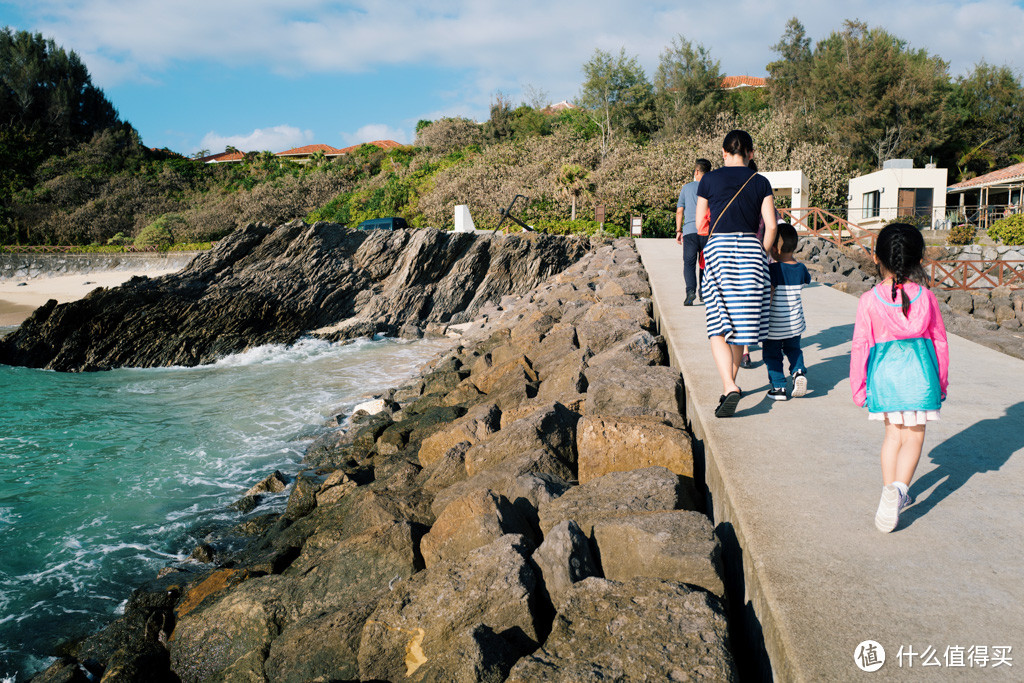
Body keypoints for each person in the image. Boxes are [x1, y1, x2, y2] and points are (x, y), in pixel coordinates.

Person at [850, 223, 949, 533]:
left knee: (893, 437)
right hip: (921, 378)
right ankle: (900, 491)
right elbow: (940, 343)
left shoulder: (869, 301)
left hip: (885, 378)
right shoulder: (927, 298)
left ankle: (888, 490)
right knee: (914, 438)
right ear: (918, 259)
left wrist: (859, 388)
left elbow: (860, 346)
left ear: (878, 259)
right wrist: (941, 384)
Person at [696, 130, 777, 418]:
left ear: (723, 152)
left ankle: (730, 386)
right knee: (741, 324)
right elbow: (771, 226)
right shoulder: (761, 181)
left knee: (717, 323)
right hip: (752, 252)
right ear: (751, 153)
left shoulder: (708, 179)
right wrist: (761, 253)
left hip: (719, 251)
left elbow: (700, 223)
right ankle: (729, 385)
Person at [763, 223, 811, 400]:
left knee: (772, 355)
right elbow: (806, 281)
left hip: (774, 325)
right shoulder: (801, 269)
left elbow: (769, 294)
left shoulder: (772, 270)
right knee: (794, 349)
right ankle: (798, 372)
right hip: (795, 323)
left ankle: (779, 388)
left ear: (773, 248)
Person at [676, 158, 713, 306]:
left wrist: (679, 230)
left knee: (689, 263)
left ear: (696, 171)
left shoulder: (686, 188)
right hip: (707, 231)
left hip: (690, 231)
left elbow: (680, 211)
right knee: (705, 263)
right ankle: (703, 292)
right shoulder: (712, 187)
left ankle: (690, 292)